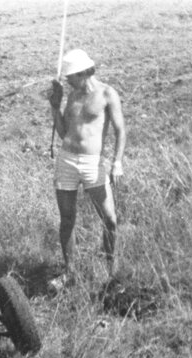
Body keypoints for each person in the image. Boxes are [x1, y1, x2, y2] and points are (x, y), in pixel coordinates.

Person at [48, 48, 126, 287]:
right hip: (67, 162)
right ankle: (69, 272)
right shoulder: (71, 96)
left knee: (110, 220)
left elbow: (120, 129)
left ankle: (110, 271)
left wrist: (117, 162)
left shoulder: (107, 93)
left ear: (82, 73)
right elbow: (63, 133)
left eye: (70, 77)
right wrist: (54, 106)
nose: (67, 81)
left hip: (93, 165)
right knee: (67, 219)